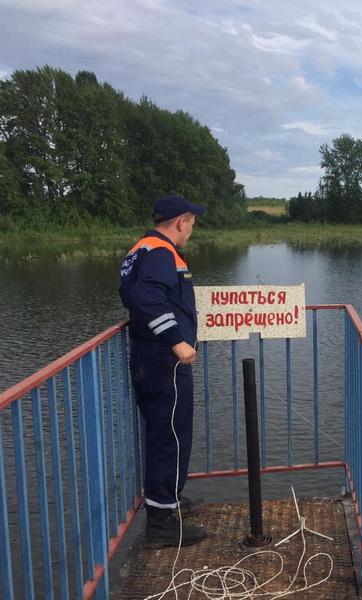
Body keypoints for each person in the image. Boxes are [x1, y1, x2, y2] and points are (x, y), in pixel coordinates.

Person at [119, 194, 207, 548]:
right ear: (181, 222)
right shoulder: (160, 252)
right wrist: (176, 340)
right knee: (170, 436)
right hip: (163, 360)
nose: (191, 230)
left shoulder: (140, 249)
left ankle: (169, 500)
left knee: (166, 433)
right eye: (191, 224)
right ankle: (160, 525)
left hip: (150, 357)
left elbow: (131, 294)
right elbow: (147, 297)